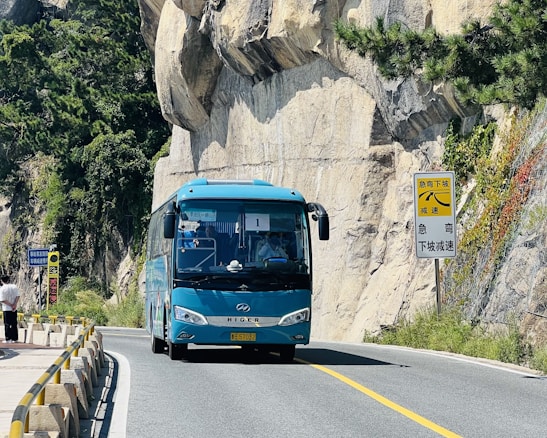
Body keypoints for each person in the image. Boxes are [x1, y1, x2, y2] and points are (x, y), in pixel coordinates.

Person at [0, 275, 20, 343]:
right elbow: (18, 296)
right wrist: (14, 304)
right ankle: (15, 338)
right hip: (14, 308)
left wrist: (10, 305)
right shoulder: (14, 286)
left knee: (7, 324)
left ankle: (8, 339)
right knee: (14, 323)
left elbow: (2, 300)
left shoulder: (2, 288)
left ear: (2, 281)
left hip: (6, 308)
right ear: (8, 280)